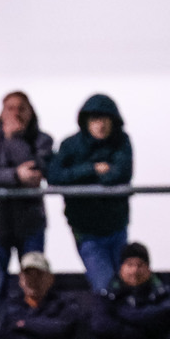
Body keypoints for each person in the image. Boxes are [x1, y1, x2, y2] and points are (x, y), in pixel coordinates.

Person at [47, 93, 133, 293]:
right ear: (86, 122)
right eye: (95, 120)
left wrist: (77, 176)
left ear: (114, 121)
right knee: (104, 287)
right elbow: (54, 176)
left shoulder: (122, 142)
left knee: (125, 286)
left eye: (105, 119)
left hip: (117, 227)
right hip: (86, 231)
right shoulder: (70, 145)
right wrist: (93, 169)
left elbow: (120, 174)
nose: (100, 125)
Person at [0, 91, 54, 295]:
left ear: (31, 111)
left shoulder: (42, 140)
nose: (16, 114)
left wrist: (14, 140)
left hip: (31, 222)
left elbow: (34, 172)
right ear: (1, 112)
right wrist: (15, 175)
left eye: (21, 108)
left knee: (35, 281)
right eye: (10, 108)